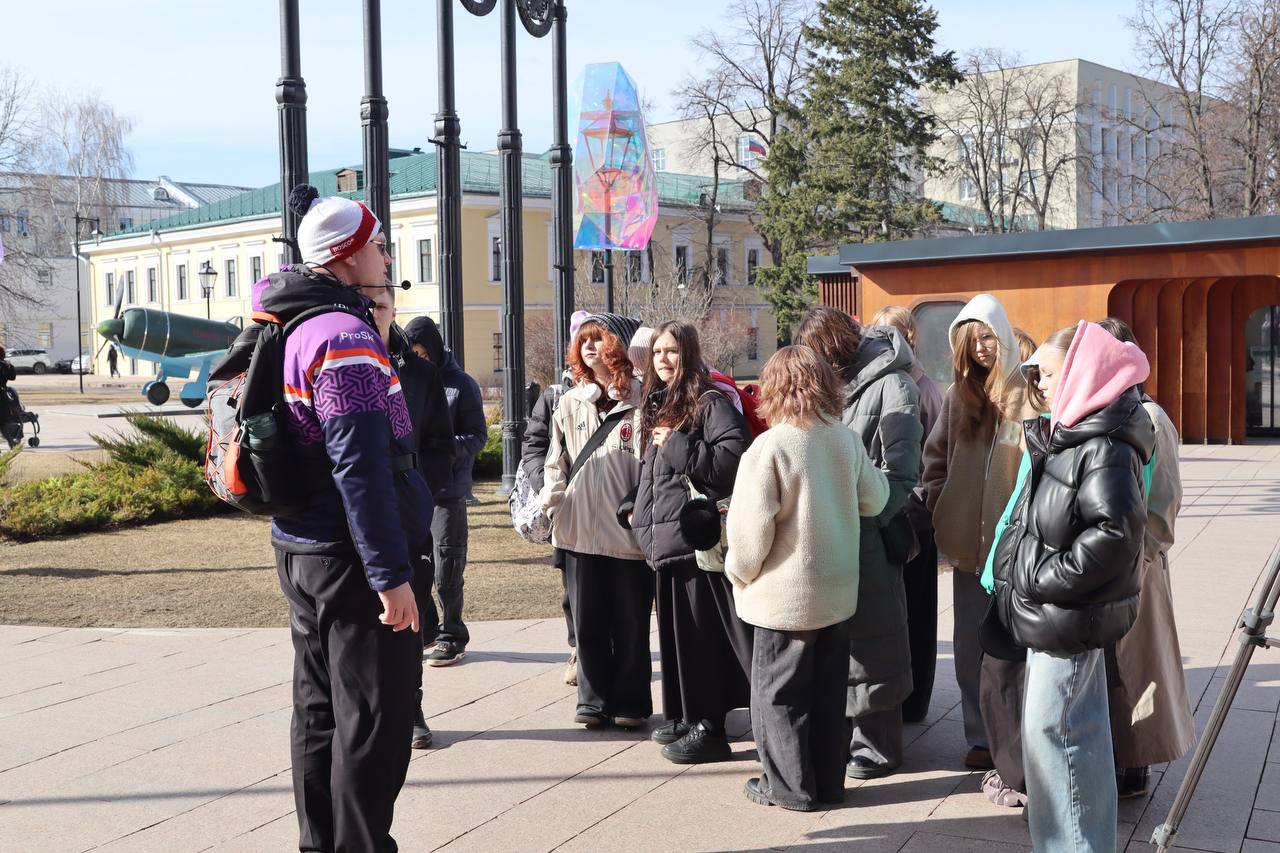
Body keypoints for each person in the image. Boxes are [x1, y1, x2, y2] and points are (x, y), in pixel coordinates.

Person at [264, 185, 431, 853]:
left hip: (303, 547)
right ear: (347, 253)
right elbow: (359, 466)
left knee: (320, 709)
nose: (387, 254)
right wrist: (390, 575)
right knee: (373, 719)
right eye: (380, 243)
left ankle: (322, 843)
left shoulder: (292, 321)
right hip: (350, 560)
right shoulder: (343, 336)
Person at [992, 321, 1153, 852]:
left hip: (1067, 616)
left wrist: (1041, 579)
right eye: (1034, 374)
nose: (1038, 384)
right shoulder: (1076, 431)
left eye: (1047, 374)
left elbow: (1115, 534)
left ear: (1081, 373)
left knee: (1058, 744)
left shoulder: (1104, 442)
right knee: (1070, 743)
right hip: (1058, 617)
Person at [727, 345, 890, 811]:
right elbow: (876, 500)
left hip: (784, 596)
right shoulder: (845, 439)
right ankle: (828, 783)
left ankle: (789, 788)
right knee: (827, 693)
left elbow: (750, 530)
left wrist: (739, 573)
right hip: (836, 593)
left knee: (778, 696)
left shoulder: (770, 447)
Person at [796, 306, 921, 780]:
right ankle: (842, 735)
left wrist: (861, 513)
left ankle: (878, 745)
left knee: (875, 637)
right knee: (835, 640)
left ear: (836, 350)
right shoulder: (826, 385)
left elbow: (903, 473)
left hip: (868, 531)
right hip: (823, 533)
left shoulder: (895, 384)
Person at [620, 320, 751, 764]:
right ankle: (683, 714)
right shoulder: (659, 404)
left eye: (672, 351)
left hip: (697, 541)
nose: (663, 359)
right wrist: (631, 507)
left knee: (703, 638)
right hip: (665, 542)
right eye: (657, 352)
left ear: (689, 355)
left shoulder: (709, 402)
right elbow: (653, 475)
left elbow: (731, 462)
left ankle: (711, 728)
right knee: (677, 638)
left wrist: (677, 446)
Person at [921, 294, 1036, 780]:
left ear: (1003, 336)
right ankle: (980, 738)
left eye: (987, 337)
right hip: (968, 547)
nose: (981, 349)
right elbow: (935, 458)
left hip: (1015, 550)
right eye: (971, 342)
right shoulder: (956, 396)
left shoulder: (1028, 395)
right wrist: (939, 501)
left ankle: (1017, 734)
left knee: (1014, 645)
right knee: (969, 642)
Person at [1096, 317, 1195, 799]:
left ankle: (1136, 760)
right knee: (1113, 667)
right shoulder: (1101, 411)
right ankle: (1116, 752)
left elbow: (1165, 503)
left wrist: (1139, 557)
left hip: (1138, 566)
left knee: (1138, 667)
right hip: (1107, 563)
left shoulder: (1151, 418)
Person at [541, 313, 653, 729]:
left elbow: (653, 466)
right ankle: (592, 700)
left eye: (598, 338)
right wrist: (551, 499)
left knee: (630, 621)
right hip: (577, 526)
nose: (589, 347)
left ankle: (630, 702)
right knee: (586, 622)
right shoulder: (569, 402)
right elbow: (557, 458)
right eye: (583, 341)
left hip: (626, 532)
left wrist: (641, 508)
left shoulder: (643, 400)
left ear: (618, 347)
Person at [359, 284, 458, 751]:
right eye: (365, 305)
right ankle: (361, 713)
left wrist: (417, 489)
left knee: (408, 623)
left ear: (392, 310)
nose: (373, 313)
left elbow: (440, 442)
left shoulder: (418, 372)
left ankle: (410, 708)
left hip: (406, 518)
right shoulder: (336, 358)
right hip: (350, 522)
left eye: (380, 306)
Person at [869, 305, 943, 724]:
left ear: (908, 336)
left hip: (912, 514)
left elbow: (933, 457)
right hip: (888, 511)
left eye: (890, 331)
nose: (882, 339)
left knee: (916, 609)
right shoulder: (880, 383)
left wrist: (917, 504)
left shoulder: (922, 386)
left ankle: (915, 701)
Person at [402, 315, 487, 667]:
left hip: (448, 491)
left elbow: (478, 435)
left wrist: (442, 448)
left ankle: (453, 633)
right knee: (416, 565)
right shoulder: (406, 381)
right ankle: (430, 630)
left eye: (422, 352)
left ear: (434, 348)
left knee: (447, 567)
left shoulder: (461, 384)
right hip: (413, 488)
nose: (418, 358)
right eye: (413, 353)